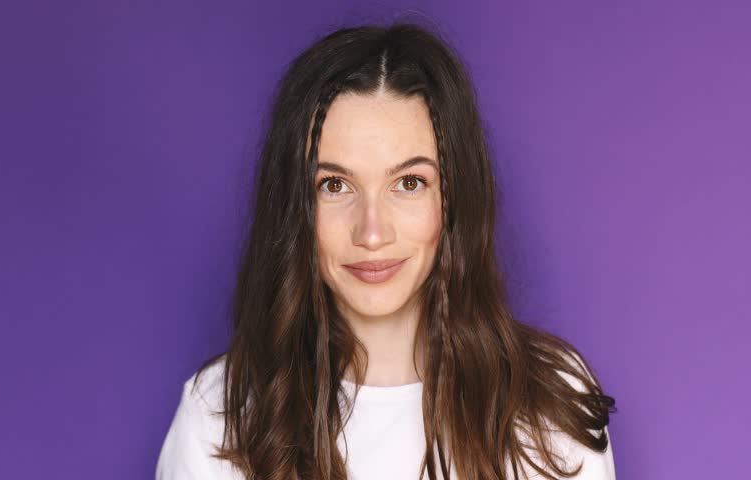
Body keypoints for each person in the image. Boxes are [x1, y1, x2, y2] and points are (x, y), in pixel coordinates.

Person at [156, 21, 616, 480]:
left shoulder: (552, 406)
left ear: (454, 197)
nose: (371, 233)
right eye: (335, 185)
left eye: (409, 183)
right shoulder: (219, 417)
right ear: (295, 207)